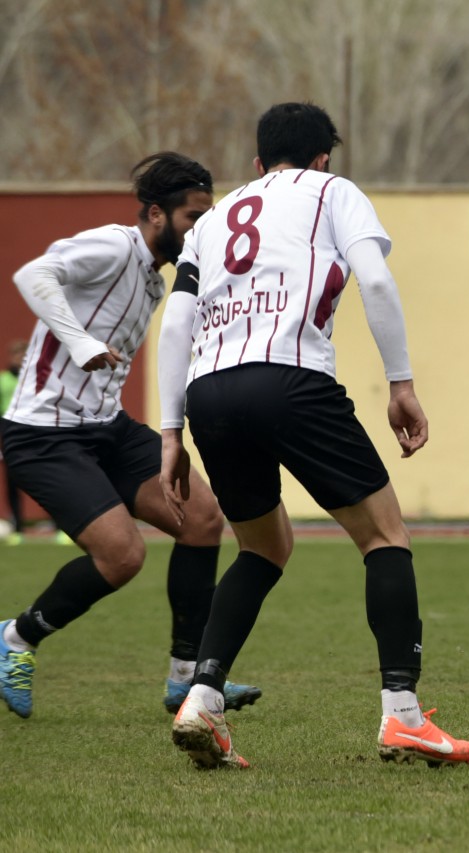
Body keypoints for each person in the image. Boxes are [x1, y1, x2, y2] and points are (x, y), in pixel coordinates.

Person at [158, 102, 469, 769]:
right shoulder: (335, 192)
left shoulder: (214, 219)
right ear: (324, 157)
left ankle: (202, 696)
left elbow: (177, 321)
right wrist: (401, 383)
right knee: (384, 534)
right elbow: (379, 280)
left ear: (256, 162)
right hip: (289, 376)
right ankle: (404, 715)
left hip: (210, 391)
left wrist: (170, 429)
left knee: (264, 547)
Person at [0, 153, 261, 720]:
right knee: (123, 555)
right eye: (193, 217)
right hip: (43, 434)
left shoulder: (155, 277)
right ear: (155, 214)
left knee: (202, 517)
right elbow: (32, 274)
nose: (200, 228)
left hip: (106, 426)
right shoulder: (116, 246)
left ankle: (185, 679)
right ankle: (16, 639)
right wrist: (78, 342)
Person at [1, 339, 26, 544]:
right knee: (12, 484)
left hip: (33, 435)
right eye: (18, 355)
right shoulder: (3, 381)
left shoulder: (33, 380)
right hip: (9, 436)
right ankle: (17, 527)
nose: (21, 360)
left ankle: (58, 526)